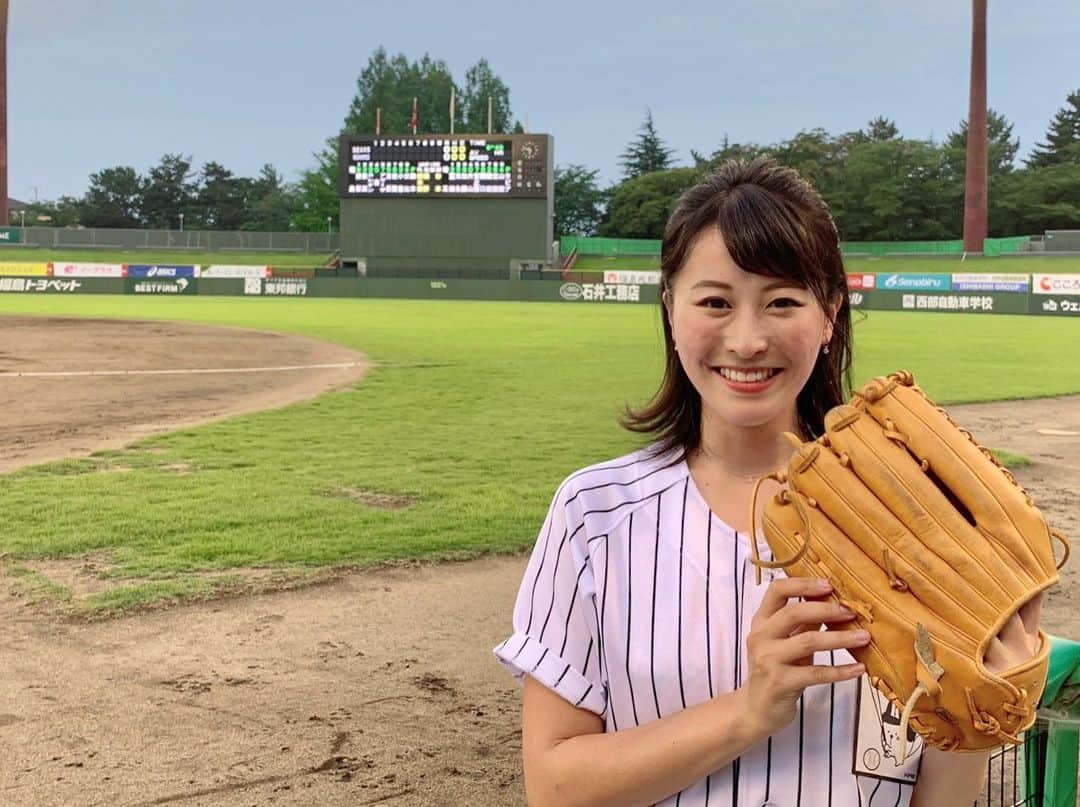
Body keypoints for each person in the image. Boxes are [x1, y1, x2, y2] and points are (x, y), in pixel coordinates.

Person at [494, 157, 1040, 806]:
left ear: (831, 311)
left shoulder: (927, 519)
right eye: (716, 302)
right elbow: (554, 789)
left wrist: (975, 717)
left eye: (782, 301)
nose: (748, 339)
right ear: (670, 309)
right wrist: (750, 710)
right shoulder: (595, 515)